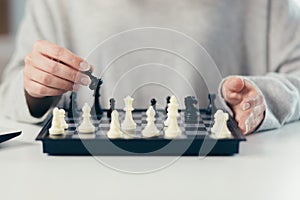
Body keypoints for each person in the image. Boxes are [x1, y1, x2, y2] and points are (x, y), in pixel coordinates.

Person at [0, 0, 300, 135]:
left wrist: (265, 98)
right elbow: (12, 90)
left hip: (227, 176)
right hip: (84, 182)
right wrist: (34, 90)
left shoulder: (266, 4)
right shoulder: (53, 4)